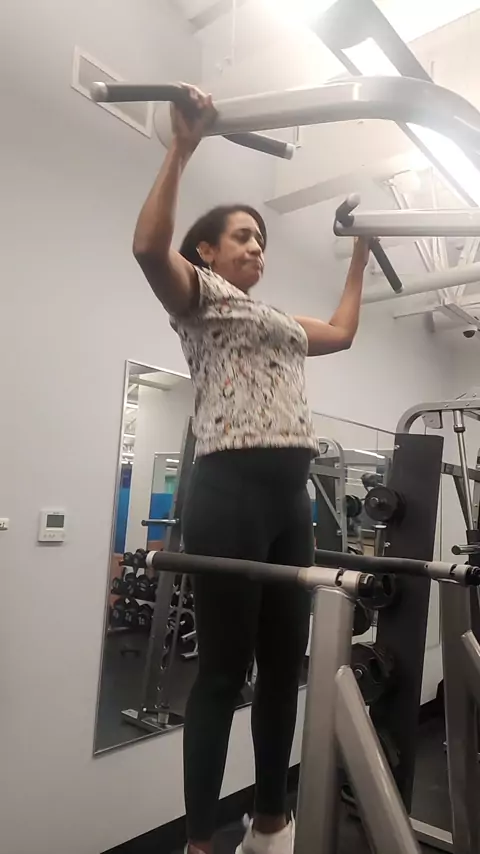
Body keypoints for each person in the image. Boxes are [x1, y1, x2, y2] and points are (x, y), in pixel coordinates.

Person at [133, 84, 370, 854]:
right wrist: (183, 147)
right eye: (243, 236)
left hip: (289, 501)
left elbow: (342, 331)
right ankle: (201, 841)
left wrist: (361, 249)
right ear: (207, 250)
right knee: (221, 671)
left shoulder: (277, 320)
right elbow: (148, 249)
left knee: (281, 668)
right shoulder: (198, 296)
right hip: (229, 492)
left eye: (262, 239)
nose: (257, 247)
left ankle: (271, 822)